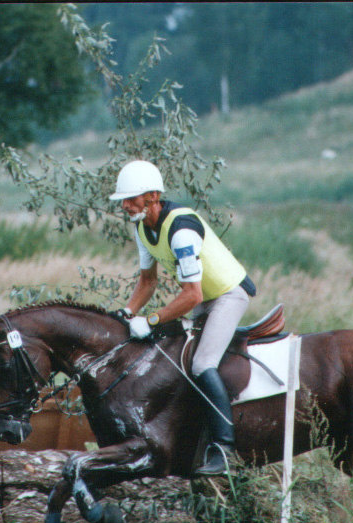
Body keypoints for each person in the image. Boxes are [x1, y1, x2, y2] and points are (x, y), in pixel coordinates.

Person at [109, 159, 256, 476]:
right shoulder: (142, 227)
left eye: (131, 198)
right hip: (206, 297)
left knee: (203, 363)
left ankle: (225, 450)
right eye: (123, 199)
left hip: (228, 295)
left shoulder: (180, 229)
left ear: (152, 196)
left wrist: (150, 320)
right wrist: (127, 312)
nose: (125, 205)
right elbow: (148, 282)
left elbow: (192, 295)